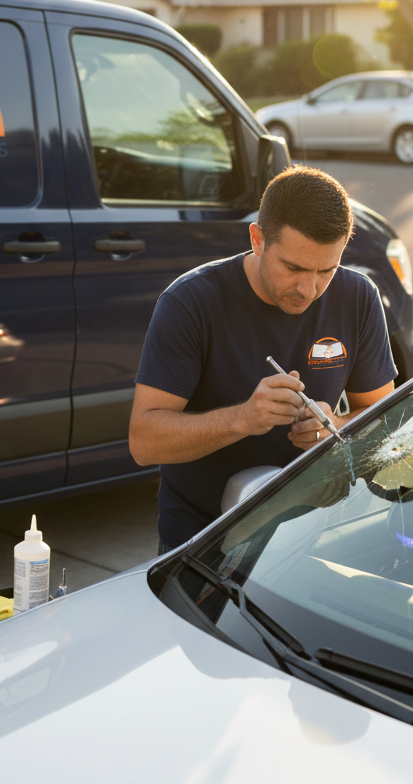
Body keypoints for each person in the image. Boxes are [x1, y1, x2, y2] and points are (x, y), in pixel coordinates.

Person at [128, 166, 396, 553]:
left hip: (315, 531)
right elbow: (144, 441)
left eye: (327, 270)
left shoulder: (357, 297)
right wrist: (244, 419)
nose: (309, 289)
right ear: (257, 239)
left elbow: (384, 418)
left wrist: (334, 428)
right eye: (293, 268)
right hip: (205, 541)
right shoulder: (190, 302)